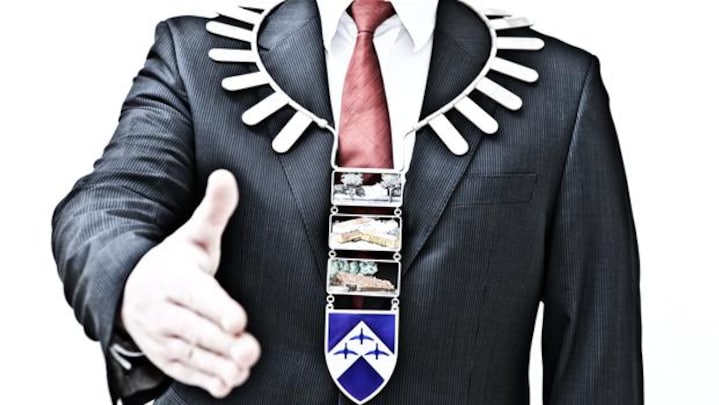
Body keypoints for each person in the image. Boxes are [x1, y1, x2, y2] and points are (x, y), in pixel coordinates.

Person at [51, 0, 644, 403]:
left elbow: (599, 360)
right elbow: (107, 203)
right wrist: (132, 282)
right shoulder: (195, 59)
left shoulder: (560, 90)